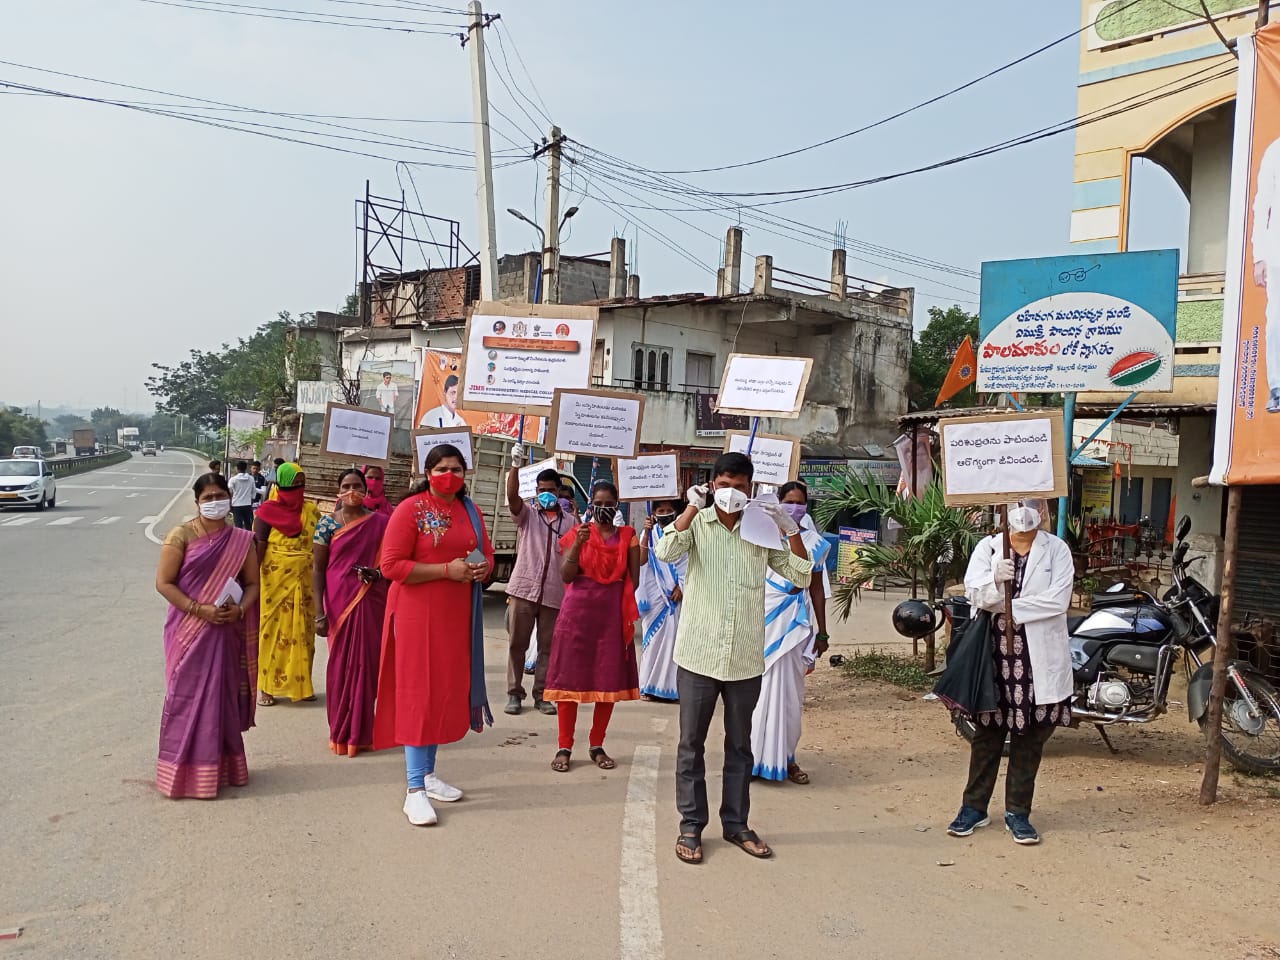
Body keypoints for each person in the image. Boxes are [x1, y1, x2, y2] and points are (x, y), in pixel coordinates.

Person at [655, 452, 813, 864]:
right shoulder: (699, 525)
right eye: (724, 485)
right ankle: (691, 825)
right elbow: (667, 551)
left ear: (751, 489)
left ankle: (737, 824)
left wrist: (789, 528)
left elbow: (799, 574)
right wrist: (691, 507)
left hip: (745, 656)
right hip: (698, 655)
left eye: (740, 487)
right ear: (712, 486)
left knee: (740, 746)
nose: (731, 494)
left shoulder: (761, 531)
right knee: (691, 744)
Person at [373, 443, 494, 826]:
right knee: (417, 695)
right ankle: (414, 791)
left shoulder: (469, 510)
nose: (451, 476)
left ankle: (428, 774)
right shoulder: (410, 510)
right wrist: (446, 571)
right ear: (427, 472)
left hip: (456, 618)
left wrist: (479, 570)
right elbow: (391, 565)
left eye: (457, 469)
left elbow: (485, 555)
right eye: (443, 468)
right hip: (415, 617)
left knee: (442, 692)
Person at [947, 498, 1073, 846]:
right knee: (986, 735)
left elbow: (1057, 600)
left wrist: (1007, 605)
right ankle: (973, 807)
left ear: (1044, 509)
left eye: (1033, 502)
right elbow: (973, 593)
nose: (1025, 510)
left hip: (1036, 659)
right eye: (1018, 503)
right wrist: (993, 581)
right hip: (994, 656)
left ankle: (1019, 812)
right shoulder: (988, 548)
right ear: (1005, 509)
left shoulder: (1057, 550)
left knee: (1029, 738)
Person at [153, 473, 260, 798]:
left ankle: (222, 770)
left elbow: (253, 584)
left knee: (220, 698)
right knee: (184, 697)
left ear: (230, 496)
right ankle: (179, 773)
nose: (215, 502)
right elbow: (164, 583)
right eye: (208, 498)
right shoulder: (181, 535)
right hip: (188, 630)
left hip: (225, 630)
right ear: (197, 501)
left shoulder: (242, 539)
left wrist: (240, 610)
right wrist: (200, 610)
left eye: (220, 495)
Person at [544, 480, 641, 772]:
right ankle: (564, 746)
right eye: (598, 504)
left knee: (607, 682)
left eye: (609, 505)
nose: (603, 509)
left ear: (617, 507)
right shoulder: (577, 533)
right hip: (576, 616)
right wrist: (579, 544)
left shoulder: (628, 536)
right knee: (568, 683)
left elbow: (633, 579)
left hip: (611, 617)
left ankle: (597, 744)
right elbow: (566, 575)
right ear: (590, 506)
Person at [750, 481, 831, 784]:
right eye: (789, 502)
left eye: (800, 503)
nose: (795, 508)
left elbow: (817, 590)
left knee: (791, 698)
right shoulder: (761, 536)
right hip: (764, 622)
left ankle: (787, 758)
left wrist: (822, 632)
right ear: (779, 503)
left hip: (797, 626)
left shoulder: (815, 543)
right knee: (757, 695)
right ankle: (751, 758)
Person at [313, 469, 390, 757]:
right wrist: (318, 613)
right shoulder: (326, 524)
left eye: (357, 485)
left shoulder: (381, 523)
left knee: (366, 667)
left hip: (370, 600)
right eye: (346, 486)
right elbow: (318, 569)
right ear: (338, 490)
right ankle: (340, 731)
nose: (352, 491)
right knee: (340, 667)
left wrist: (378, 574)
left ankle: (361, 732)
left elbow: (392, 564)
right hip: (338, 602)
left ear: (366, 489)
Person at [503, 448, 573, 716]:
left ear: (558, 491)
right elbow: (512, 497)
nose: (546, 494)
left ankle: (541, 695)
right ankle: (514, 693)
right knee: (516, 645)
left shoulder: (570, 522)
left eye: (551, 490)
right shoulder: (528, 515)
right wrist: (514, 466)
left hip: (555, 593)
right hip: (524, 588)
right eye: (541, 489)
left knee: (548, 649)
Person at [253, 462, 321, 706]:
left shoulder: (312, 511)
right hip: (274, 581)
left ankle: (301, 685)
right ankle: (266, 688)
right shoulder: (265, 513)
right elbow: (258, 547)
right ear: (280, 485)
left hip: (305, 580)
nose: (298, 490)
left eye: (301, 485)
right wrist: (250, 583)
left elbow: (322, 546)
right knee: (272, 633)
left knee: (303, 632)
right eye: (292, 485)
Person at [636, 499, 687, 702]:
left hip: (676, 594)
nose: (665, 513)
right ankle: (648, 686)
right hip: (655, 594)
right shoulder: (649, 534)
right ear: (654, 513)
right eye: (660, 510)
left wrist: (681, 586)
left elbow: (688, 563)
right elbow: (641, 561)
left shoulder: (683, 533)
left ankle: (669, 688)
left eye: (669, 510)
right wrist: (646, 534)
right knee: (654, 640)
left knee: (673, 641)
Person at [1251, 136, 1280, 412]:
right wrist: (1258, 255)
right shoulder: (1274, 150)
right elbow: (1262, 206)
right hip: (1277, 250)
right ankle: (1278, 386)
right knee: (1277, 319)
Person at [228, 460, 256, 530]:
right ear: (246, 468)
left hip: (236, 505)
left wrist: (230, 503)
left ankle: (239, 540)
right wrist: (251, 501)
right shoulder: (251, 478)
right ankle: (249, 540)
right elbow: (254, 491)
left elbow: (230, 492)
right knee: (248, 524)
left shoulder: (233, 479)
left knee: (238, 525)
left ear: (237, 468)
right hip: (247, 504)